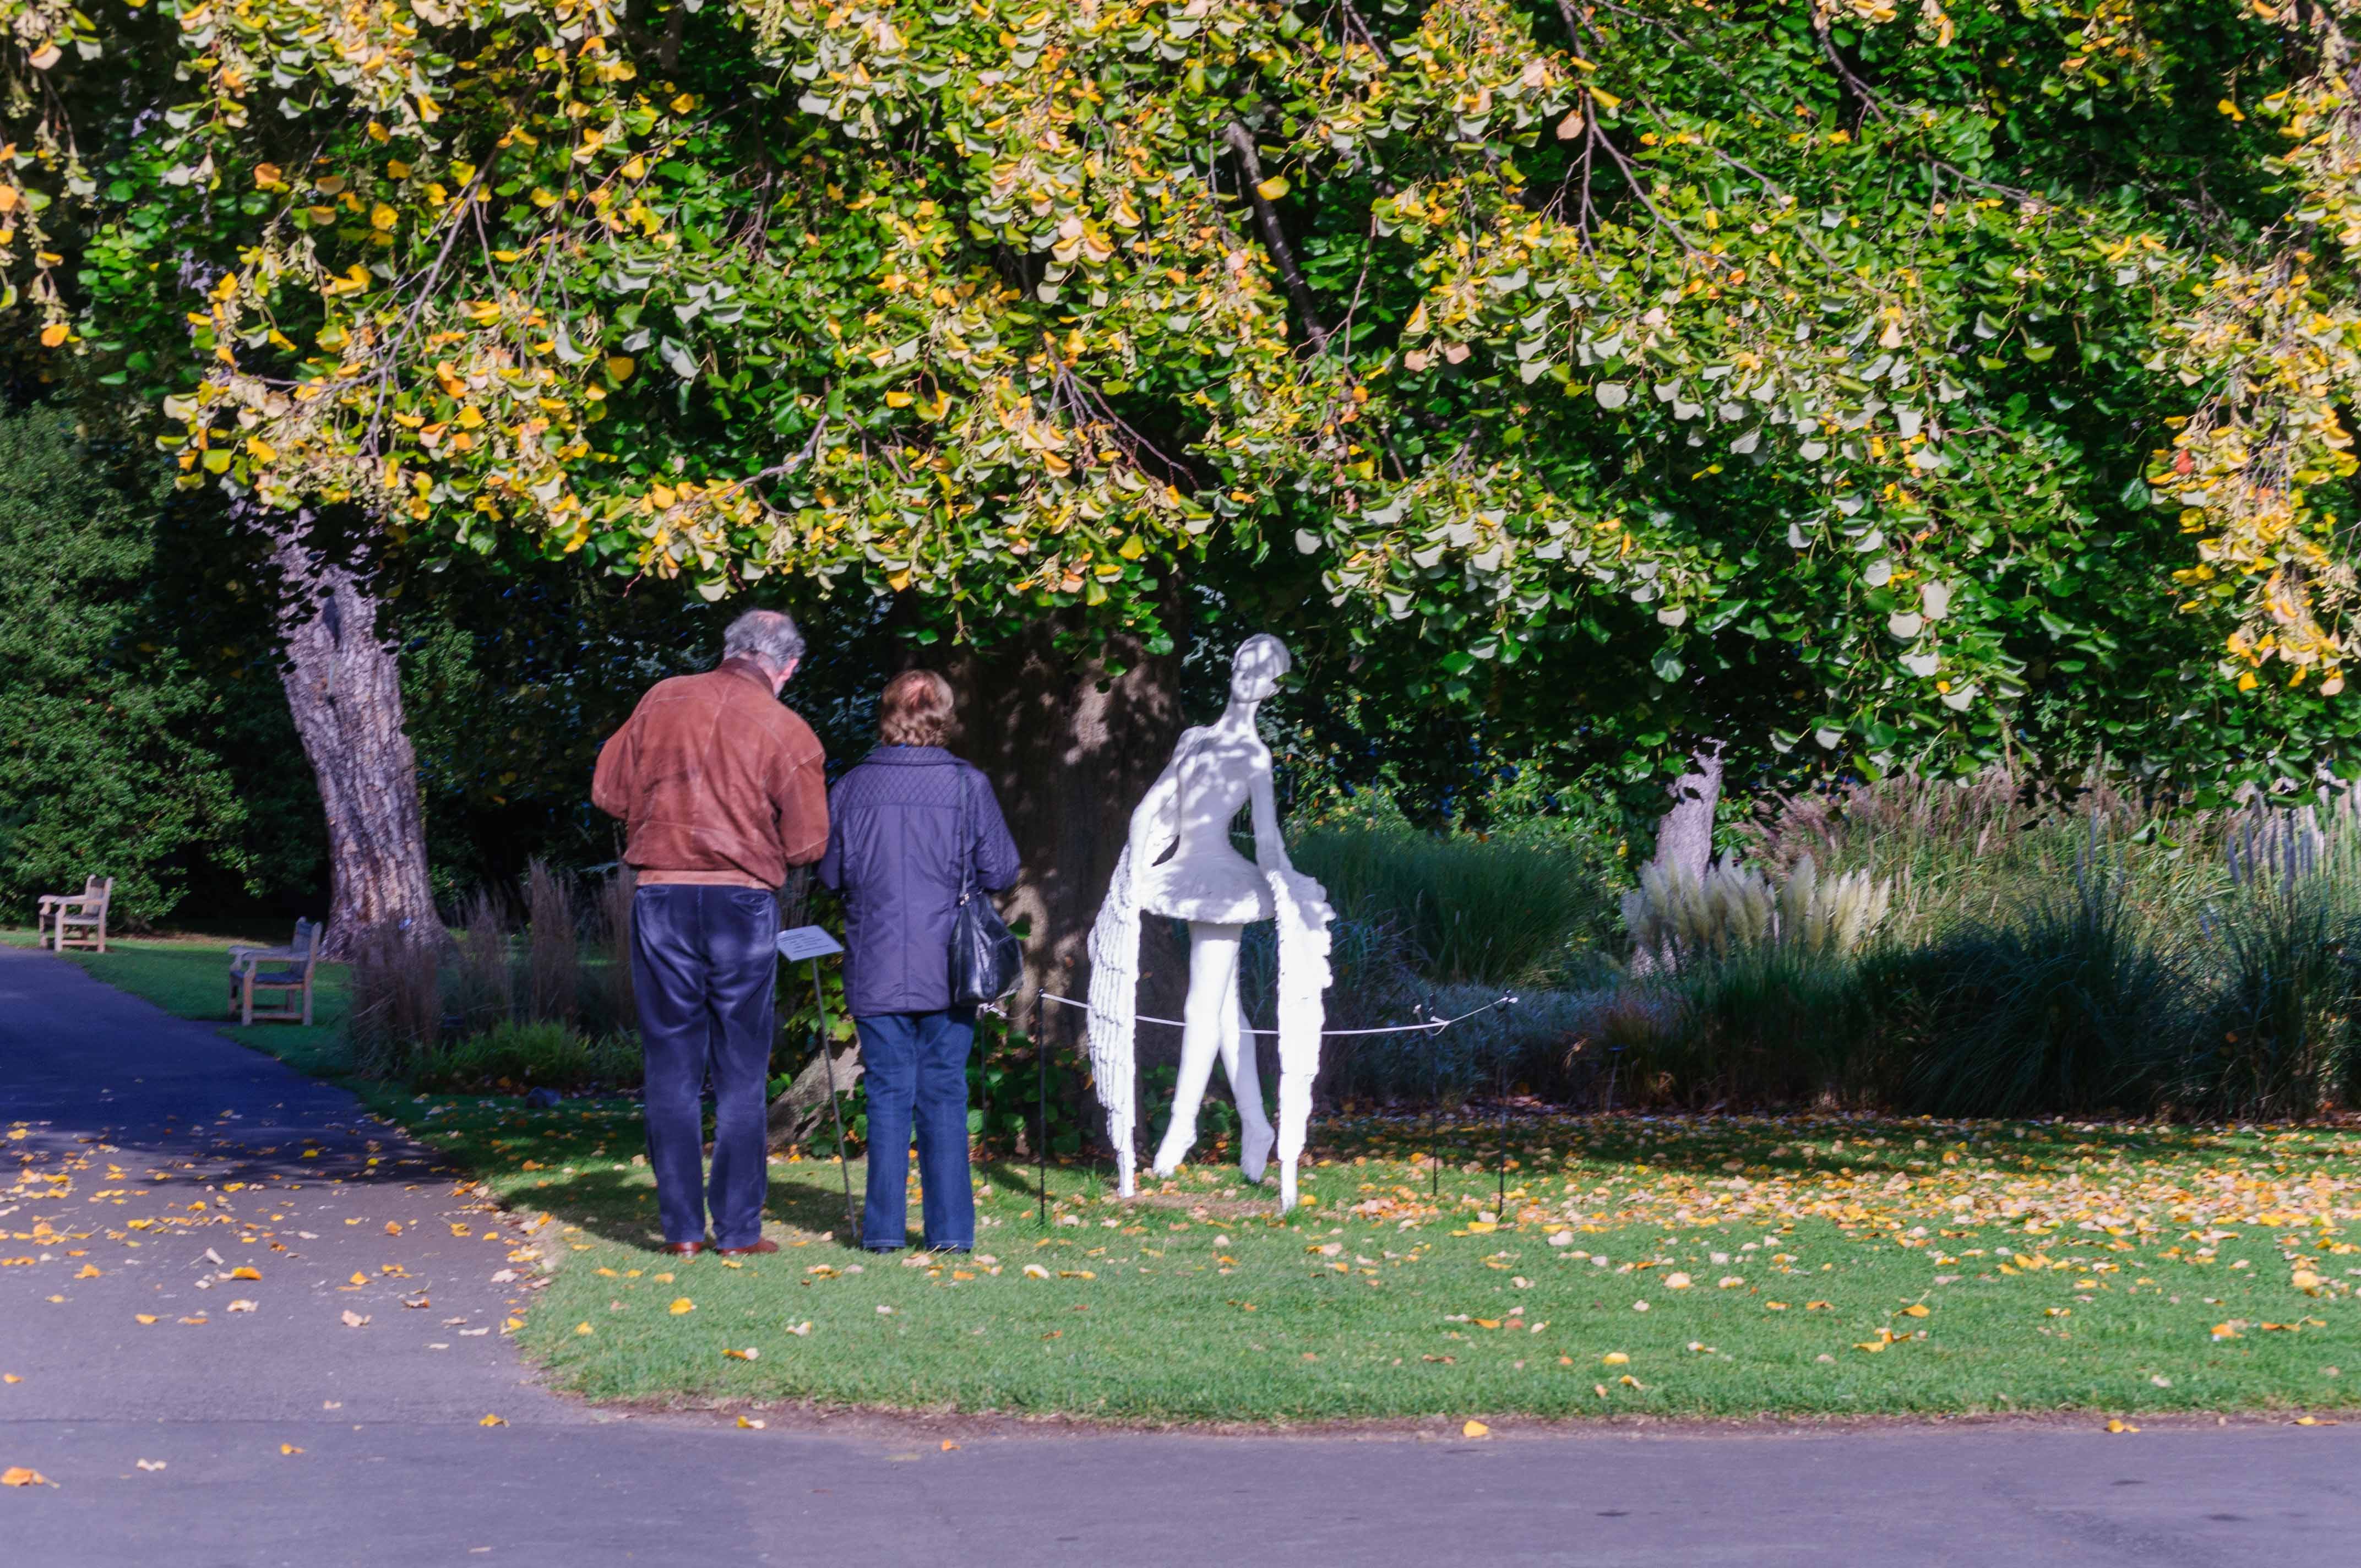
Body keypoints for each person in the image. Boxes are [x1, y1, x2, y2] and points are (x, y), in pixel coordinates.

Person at [591, 609, 828, 1257]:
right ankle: (738, 1230)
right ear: (787, 666)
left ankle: (681, 1231)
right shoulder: (788, 729)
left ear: (729, 648)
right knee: (741, 1071)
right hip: (742, 902)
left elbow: (608, 791)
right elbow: (808, 844)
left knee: (671, 1065)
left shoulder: (662, 699)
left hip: (662, 893)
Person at [817, 669, 1019, 1253]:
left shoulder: (852, 787)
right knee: (944, 1092)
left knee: (886, 1093)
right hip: (949, 965)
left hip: (876, 961)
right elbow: (1002, 870)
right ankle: (950, 1233)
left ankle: (883, 1231)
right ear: (944, 715)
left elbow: (829, 875)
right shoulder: (967, 784)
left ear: (886, 714)